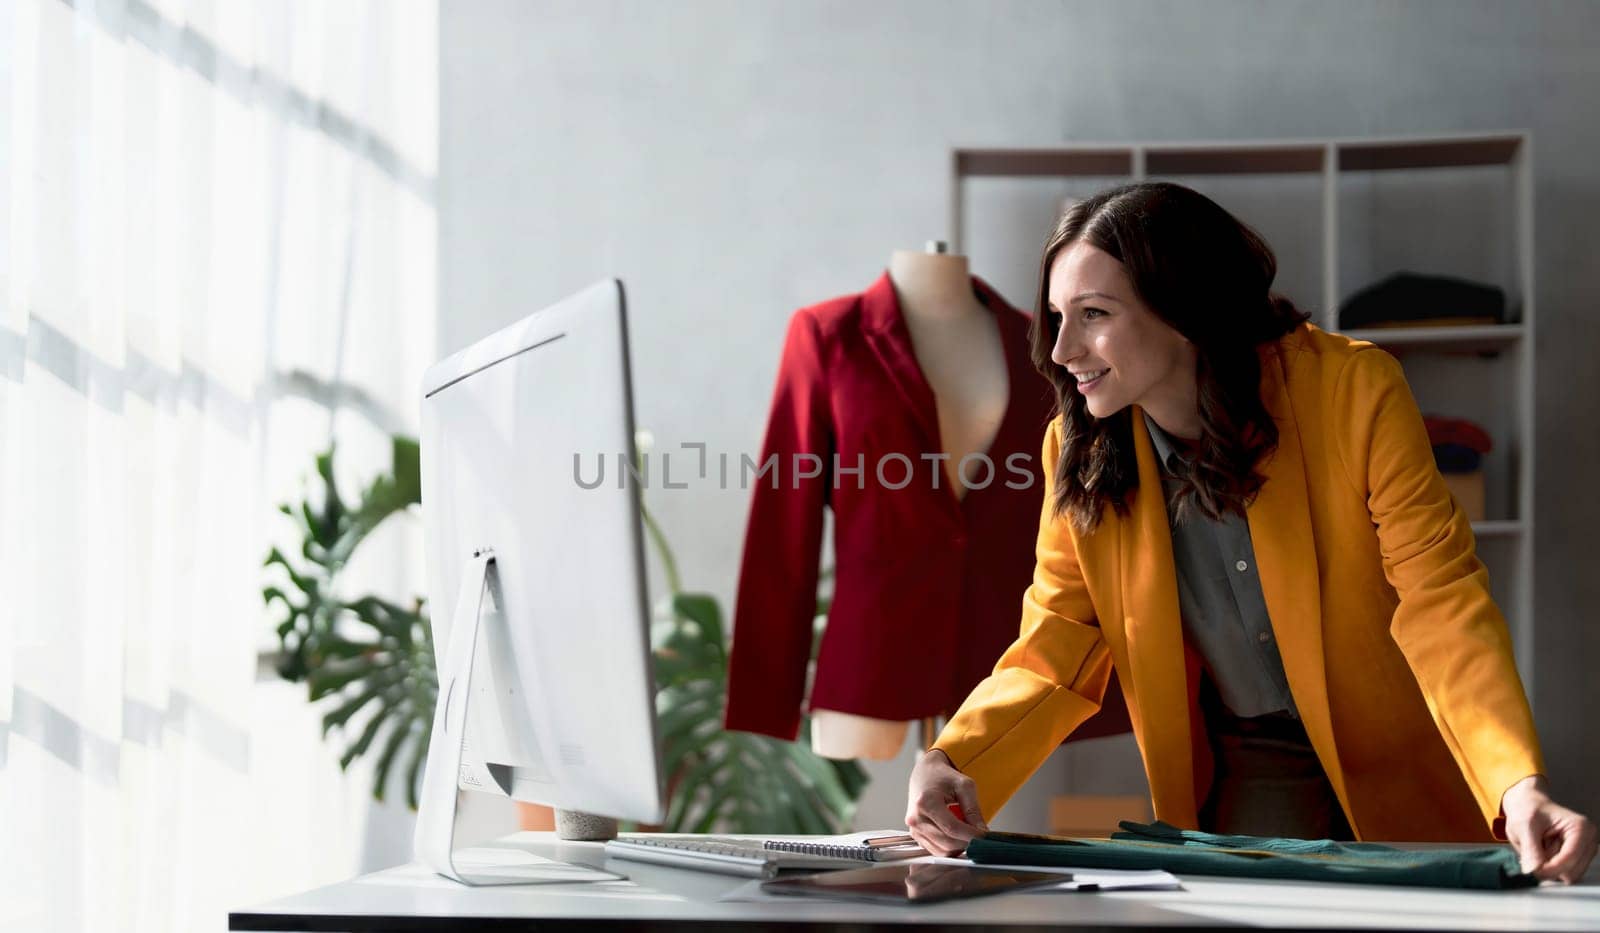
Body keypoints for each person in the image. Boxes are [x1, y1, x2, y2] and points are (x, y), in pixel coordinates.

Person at [904, 182, 1597, 884]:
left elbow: (1440, 599)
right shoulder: (1075, 450)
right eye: (1057, 316)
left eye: (1093, 314)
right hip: (1249, 762)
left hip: (1403, 752)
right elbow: (1057, 639)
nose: (1061, 349)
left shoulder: (1355, 391)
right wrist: (953, 760)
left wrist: (1516, 782)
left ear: (1183, 309)